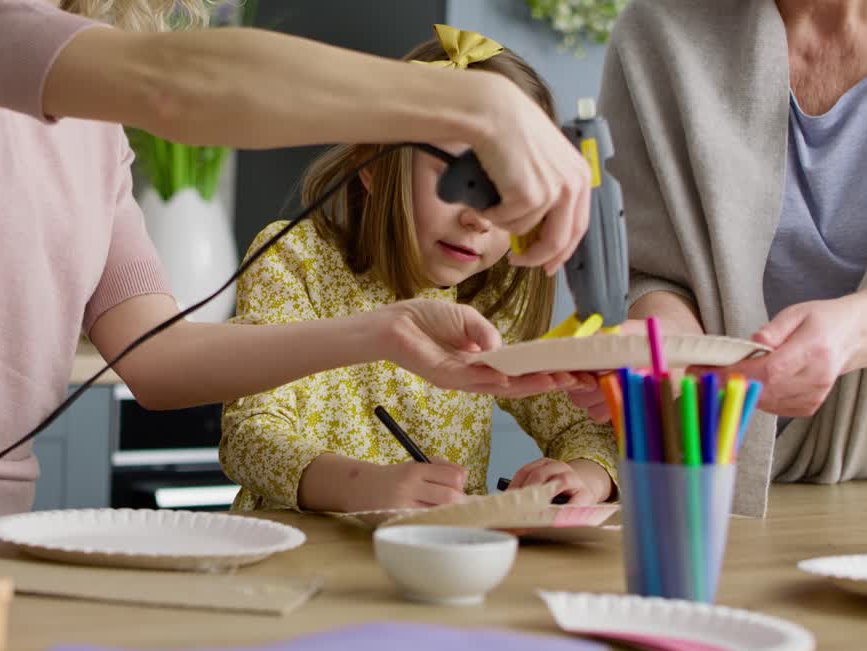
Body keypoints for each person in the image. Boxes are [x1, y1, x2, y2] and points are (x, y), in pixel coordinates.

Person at [0, 0, 595, 526]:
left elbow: (159, 357)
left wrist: (385, 332)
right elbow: (176, 87)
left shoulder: (90, 127)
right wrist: (472, 104)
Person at [570, 0, 867, 516]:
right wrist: (666, 349)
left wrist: (847, 334)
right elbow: (648, 267)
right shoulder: (658, 30)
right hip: (686, 478)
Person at [221, 26, 618, 513]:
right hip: (296, 558)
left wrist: (583, 476)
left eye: (504, 188)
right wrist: (358, 486)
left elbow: (581, 425)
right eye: (459, 177)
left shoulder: (492, 297)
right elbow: (248, 437)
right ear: (373, 164)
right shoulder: (294, 260)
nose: (478, 217)